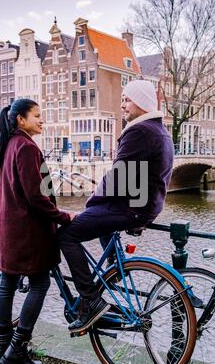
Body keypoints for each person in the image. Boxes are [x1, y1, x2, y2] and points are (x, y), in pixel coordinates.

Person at [58, 80, 174, 334]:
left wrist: (92, 203)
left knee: (66, 235)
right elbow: (135, 175)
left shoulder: (139, 131)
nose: (122, 104)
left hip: (132, 208)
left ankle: (91, 301)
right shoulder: (158, 131)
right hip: (144, 205)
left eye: (127, 99)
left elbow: (118, 176)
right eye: (121, 98)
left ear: (142, 102)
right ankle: (114, 264)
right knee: (100, 223)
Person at [0, 98, 73, 364]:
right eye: (37, 116)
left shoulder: (8, 144)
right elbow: (37, 196)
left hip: (9, 226)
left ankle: (3, 346)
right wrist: (64, 217)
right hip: (28, 231)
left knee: (7, 283)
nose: (42, 120)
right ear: (20, 119)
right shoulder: (27, 148)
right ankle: (17, 348)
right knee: (40, 283)